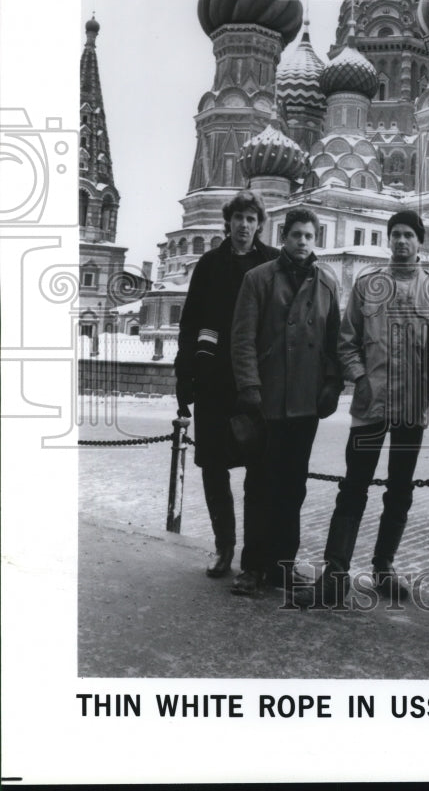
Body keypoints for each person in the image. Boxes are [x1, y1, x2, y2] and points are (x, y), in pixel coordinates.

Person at [306, 210, 429, 608]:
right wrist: (360, 378)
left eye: (409, 236)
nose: (401, 242)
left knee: (400, 490)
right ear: (388, 240)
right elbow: (347, 340)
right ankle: (335, 571)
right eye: (395, 235)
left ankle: (384, 568)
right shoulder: (369, 284)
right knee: (354, 486)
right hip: (370, 405)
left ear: (420, 242)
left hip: (412, 408)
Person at [230, 207, 342, 597]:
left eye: (309, 236)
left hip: (304, 403)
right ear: (284, 237)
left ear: (317, 240)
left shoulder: (326, 282)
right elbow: (242, 338)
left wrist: (332, 384)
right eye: (296, 235)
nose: (302, 242)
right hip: (267, 399)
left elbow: (333, 342)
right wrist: (249, 386)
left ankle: (281, 565)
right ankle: (251, 567)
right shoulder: (258, 279)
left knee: (293, 486)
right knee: (260, 484)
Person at [174, 191, 279, 578]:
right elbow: (191, 321)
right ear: (228, 222)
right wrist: (184, 375)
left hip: (256, 382)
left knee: (259, 470)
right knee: (214, 466)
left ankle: (254, 553)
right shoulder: (210, 264)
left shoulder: (271, 263)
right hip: (215, 380)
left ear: (259, 224)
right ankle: (224, 546)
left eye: (251, 219)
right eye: (238, 218)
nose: (244, 225)